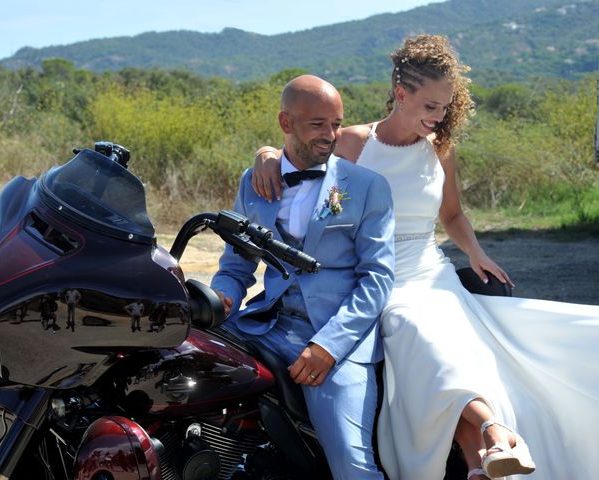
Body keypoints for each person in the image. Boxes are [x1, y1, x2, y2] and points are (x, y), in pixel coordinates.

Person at [251, 35, 599, 480]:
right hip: (380, 276)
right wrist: (265, 155)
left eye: (444, 108)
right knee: (418, 334)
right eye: (430, 106)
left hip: (432, 275)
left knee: (448, 350)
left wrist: (475, 253)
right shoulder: (355, 143)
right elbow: (308, 171)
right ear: (401, 95)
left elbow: (452, 214)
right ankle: (492, 429)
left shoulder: (440, 150)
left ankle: (483, 459)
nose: (438, 118)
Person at [211, 74, 396, 479]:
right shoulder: (255, 180)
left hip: (336, 338)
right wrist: (218, 299)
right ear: (285, 123)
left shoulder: (367, 187)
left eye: (336, 124)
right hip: (266, 324)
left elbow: (378, 277)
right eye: (318, 125)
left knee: (352, 464)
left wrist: (329, 346)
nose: (330, 135)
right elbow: (236, 265)